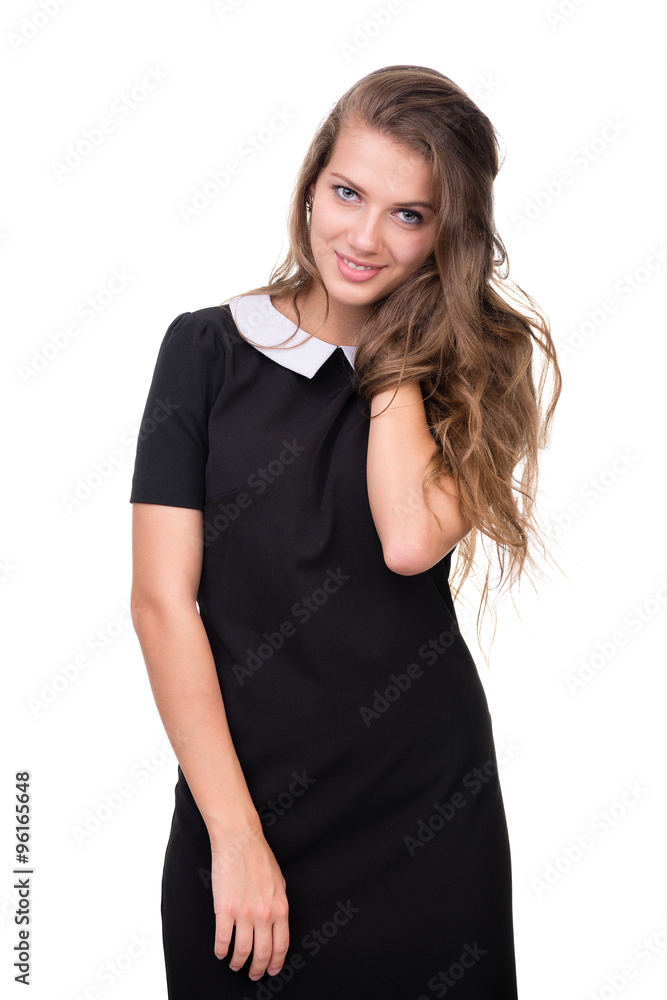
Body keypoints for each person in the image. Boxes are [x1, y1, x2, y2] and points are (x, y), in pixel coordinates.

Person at [129, 64, 561, 999]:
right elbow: (161, 603)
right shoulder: (204, 350)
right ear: (311, 183)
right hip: (240, 805)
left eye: (409, 215)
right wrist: (234, 839)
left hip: (422, 813)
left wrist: (395, 352)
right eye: (347, 193)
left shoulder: (479, 363)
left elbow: (407, 538)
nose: (363, 238)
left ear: (450, 232)